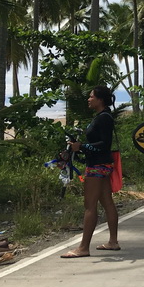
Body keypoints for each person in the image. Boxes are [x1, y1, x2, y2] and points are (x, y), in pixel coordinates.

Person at [61, 86, 120, 258]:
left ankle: (83, 248)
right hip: (102, 165)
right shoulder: (103, 116)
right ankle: (113, 242)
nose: (88, 99)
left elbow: (104, 144)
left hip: (97, 166)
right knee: (107, 202)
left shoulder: (103, 118)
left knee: (90, 205)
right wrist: (77, 148)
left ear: (100, 99)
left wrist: (82, 146)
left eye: (91, 96)